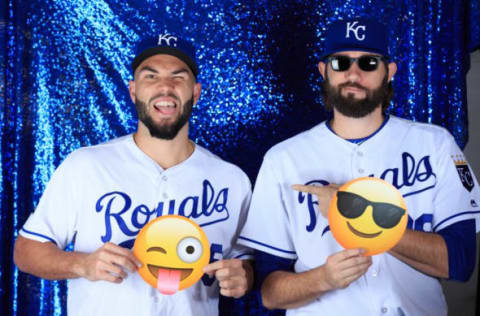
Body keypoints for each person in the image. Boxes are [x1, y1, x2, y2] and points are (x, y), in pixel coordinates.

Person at [238, 18, 480, 316]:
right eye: (340, 62)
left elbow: (459, 261)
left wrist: (357, 218)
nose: (353, 73)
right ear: (323, 70)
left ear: (388, 72)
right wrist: (323, 279)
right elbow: (269, 292)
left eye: (368, 62)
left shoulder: (436, 145)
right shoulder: (284, 159)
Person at [14, 34, 253, 316]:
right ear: (133, 91)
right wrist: (81, 264)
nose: (165, 86)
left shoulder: (231, 179)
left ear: (196, 92)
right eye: (151, 76)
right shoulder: (86, 165)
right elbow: (26, 251)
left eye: (179, 77)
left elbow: (245, 263)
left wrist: (244, 277)